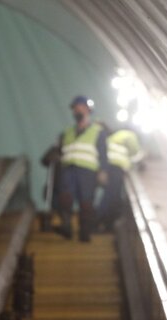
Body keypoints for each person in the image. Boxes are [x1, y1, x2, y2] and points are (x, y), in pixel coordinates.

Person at [49, 95, 109, 243]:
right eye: (75, 109)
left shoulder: (98, 131)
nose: (77, 111)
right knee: (65, 196)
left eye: (80, 108)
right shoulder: (67, 132)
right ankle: (67, 226)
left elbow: (103, 153)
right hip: (69, 168)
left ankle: (85, 232)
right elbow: (60, 149)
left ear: (88, 110)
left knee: (86, 201)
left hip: (88, 170)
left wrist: (103, 171)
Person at [95, 125, 143, 233]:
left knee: (113, 195)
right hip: (117, 166)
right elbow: (135, 151)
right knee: (111, 195)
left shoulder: (114, 137)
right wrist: (140, 158)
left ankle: (106, 223)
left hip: (108, 166)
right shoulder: (129, 135)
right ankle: (98, 219)